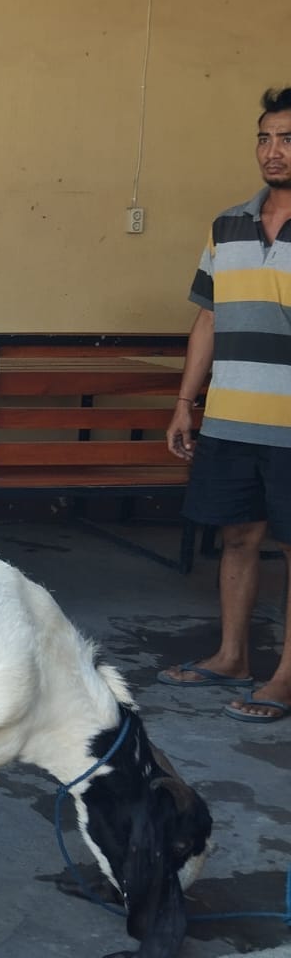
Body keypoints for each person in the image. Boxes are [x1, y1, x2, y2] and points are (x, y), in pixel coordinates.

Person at [161, 86, 291, 725]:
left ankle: (284, 679)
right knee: (237, 536)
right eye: (265, 138)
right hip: (235, 416)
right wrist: (187, 402)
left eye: (288, 139)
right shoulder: (227, 225)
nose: (273, 151)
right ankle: (232, 656)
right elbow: (208, 321)